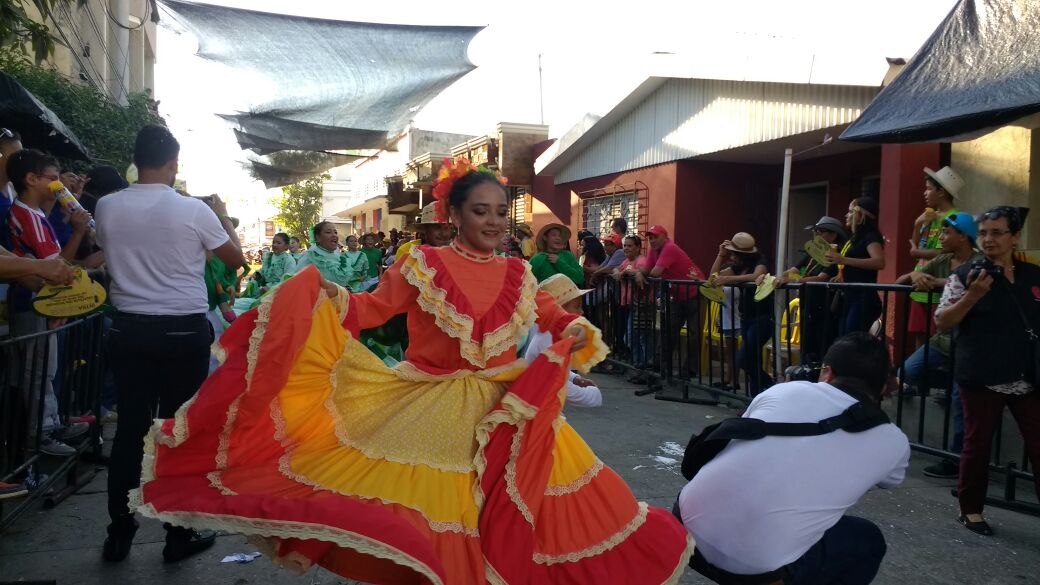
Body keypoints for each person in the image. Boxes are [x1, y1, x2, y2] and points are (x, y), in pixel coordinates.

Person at [131, 157, 692, 584]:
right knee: (438, 515)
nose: (494, 222)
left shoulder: (520, 272)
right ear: (452, 216)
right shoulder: (421, 264)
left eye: (501, 212)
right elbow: (371, 310)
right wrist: (326, 298)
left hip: (507, 411)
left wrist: (574, 332)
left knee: (513, 510)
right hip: (430, 407)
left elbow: (551, 313)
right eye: (481, 211)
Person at [96, 124, 245, 564]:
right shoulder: (192, 211)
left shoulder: (106, 207)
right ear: (173, 163)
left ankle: (118, 535)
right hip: (182, 331)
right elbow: (235, 260)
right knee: (177, 431)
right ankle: (177, 535)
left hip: (129, 330)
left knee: (129, 432)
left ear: (136, 160)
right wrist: (216, 216)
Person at [678, 333, 910, 584]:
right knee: (868, 539)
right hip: (753, 569)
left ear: (828, 372)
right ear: (885, 387)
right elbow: (889, 480)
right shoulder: (893, 441)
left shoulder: (785, 390)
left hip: (682, 528)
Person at [934, 206, 1040, 537]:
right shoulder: (967, 274)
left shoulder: (1032, 274)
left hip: (1027, 374)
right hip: (982, 373)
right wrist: (974, 296)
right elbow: (943, 320)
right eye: (983, 233)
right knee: (977, 444)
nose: (988, 240)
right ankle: (971, 510)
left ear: (1015, 237)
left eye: (996, 233)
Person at [4, 149, 93, 456]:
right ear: (31, 180)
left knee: (46, 368)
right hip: (32, 303)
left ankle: (51, 424)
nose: (59, 186)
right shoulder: (25, 215)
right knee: (37, 371)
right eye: (53, 180)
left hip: (42, 303)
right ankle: (40, 434)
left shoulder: (37, 213)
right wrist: (79, 232)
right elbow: (56, 266)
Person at [895, 212, 980, 479]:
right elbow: (899, 282)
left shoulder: (980, 262)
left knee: (959, 401)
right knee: (906, 372)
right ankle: (945, 379)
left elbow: (970, 284)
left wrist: (939, 282)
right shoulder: (942, 260)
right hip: (942, 341)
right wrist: (914, 274)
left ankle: (956, 460)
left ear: (963, 236)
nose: (941, 237)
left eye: (946, 233)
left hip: (969, 343)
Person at [521, 274, 603, 408]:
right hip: (538, 410)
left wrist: (575, 379)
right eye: (577, 307)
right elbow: (558, 387)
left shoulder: (551, 334)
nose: (581, 312)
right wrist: (593, 395)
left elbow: (555, 370)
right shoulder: (549, 339)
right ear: (559, 310)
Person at [635, 225, 705, 383]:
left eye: (655, 236)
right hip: (678, 294)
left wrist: (642, 273)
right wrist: (639, 273)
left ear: (665, 237)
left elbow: (654, 272)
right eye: (650, 237)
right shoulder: (655, 250)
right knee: (668, 329)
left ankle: (690, 370)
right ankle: (660, 364)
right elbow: (647, 269)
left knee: (694, 334)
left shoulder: (670, 247)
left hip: (695, 291)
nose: (652, 240)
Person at [777, 216, 847, 362]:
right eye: (816, 232)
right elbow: (797, 270)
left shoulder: (834, 254)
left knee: (822, 347)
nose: (817, 235)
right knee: (807, 347)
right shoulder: (812, 253)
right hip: (807, 305)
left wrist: (794, 279)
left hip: (824, 307)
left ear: (833, 235)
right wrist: (779, 277)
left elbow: (822, 277)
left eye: (821, 232)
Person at [710, 232, 773, 395]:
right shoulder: (738, 266)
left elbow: (756, 276)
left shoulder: (760, 261)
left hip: (763, 317)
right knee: (753, 359)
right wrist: (720, 256)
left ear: (741, 254)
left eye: (732, 253)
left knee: (744, 358)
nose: (731, 256)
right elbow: (713, 277)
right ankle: (756, 397)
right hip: (747, 316)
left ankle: (770, 384)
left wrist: (729, 280)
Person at [908, 167, 963, 347]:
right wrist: (918, 223)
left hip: (939, 283)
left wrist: (917, 252)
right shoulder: (928, 216)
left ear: (942, 192)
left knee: (937, 336)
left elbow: (947, 251)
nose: (925, 193)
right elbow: (915, 245)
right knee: (919, 334)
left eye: (929, 188)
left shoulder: (954, 217)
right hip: (919, 282)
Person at [825, 197, 885, 335]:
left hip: (863, 297)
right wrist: (840, 274)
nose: (847, 215)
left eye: (851, 211)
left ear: (862, 214)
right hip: (849, 295)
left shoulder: (871, 236)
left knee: (852, 338)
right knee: (843, 336)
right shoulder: (854, 237)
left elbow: (879, 262)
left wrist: (844, 259)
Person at [614, 235, 651, 382]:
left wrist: (631, 272)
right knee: (632, 336)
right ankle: (639, 367)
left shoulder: (641, 260)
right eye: (625, 246)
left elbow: (646, 271)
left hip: (642, 304)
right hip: (632, 304)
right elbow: (617, 269)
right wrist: (618, 272)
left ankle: (643, 368)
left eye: (630, 246)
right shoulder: (627, 261)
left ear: (637, 247)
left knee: (638, 336)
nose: (626, 248)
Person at [295, 222, 367, 290]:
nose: (334, 235)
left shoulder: (340, 258)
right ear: (318, 237)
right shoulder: (310, 256)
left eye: (335, 232)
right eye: (328, 232)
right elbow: (298, 282)